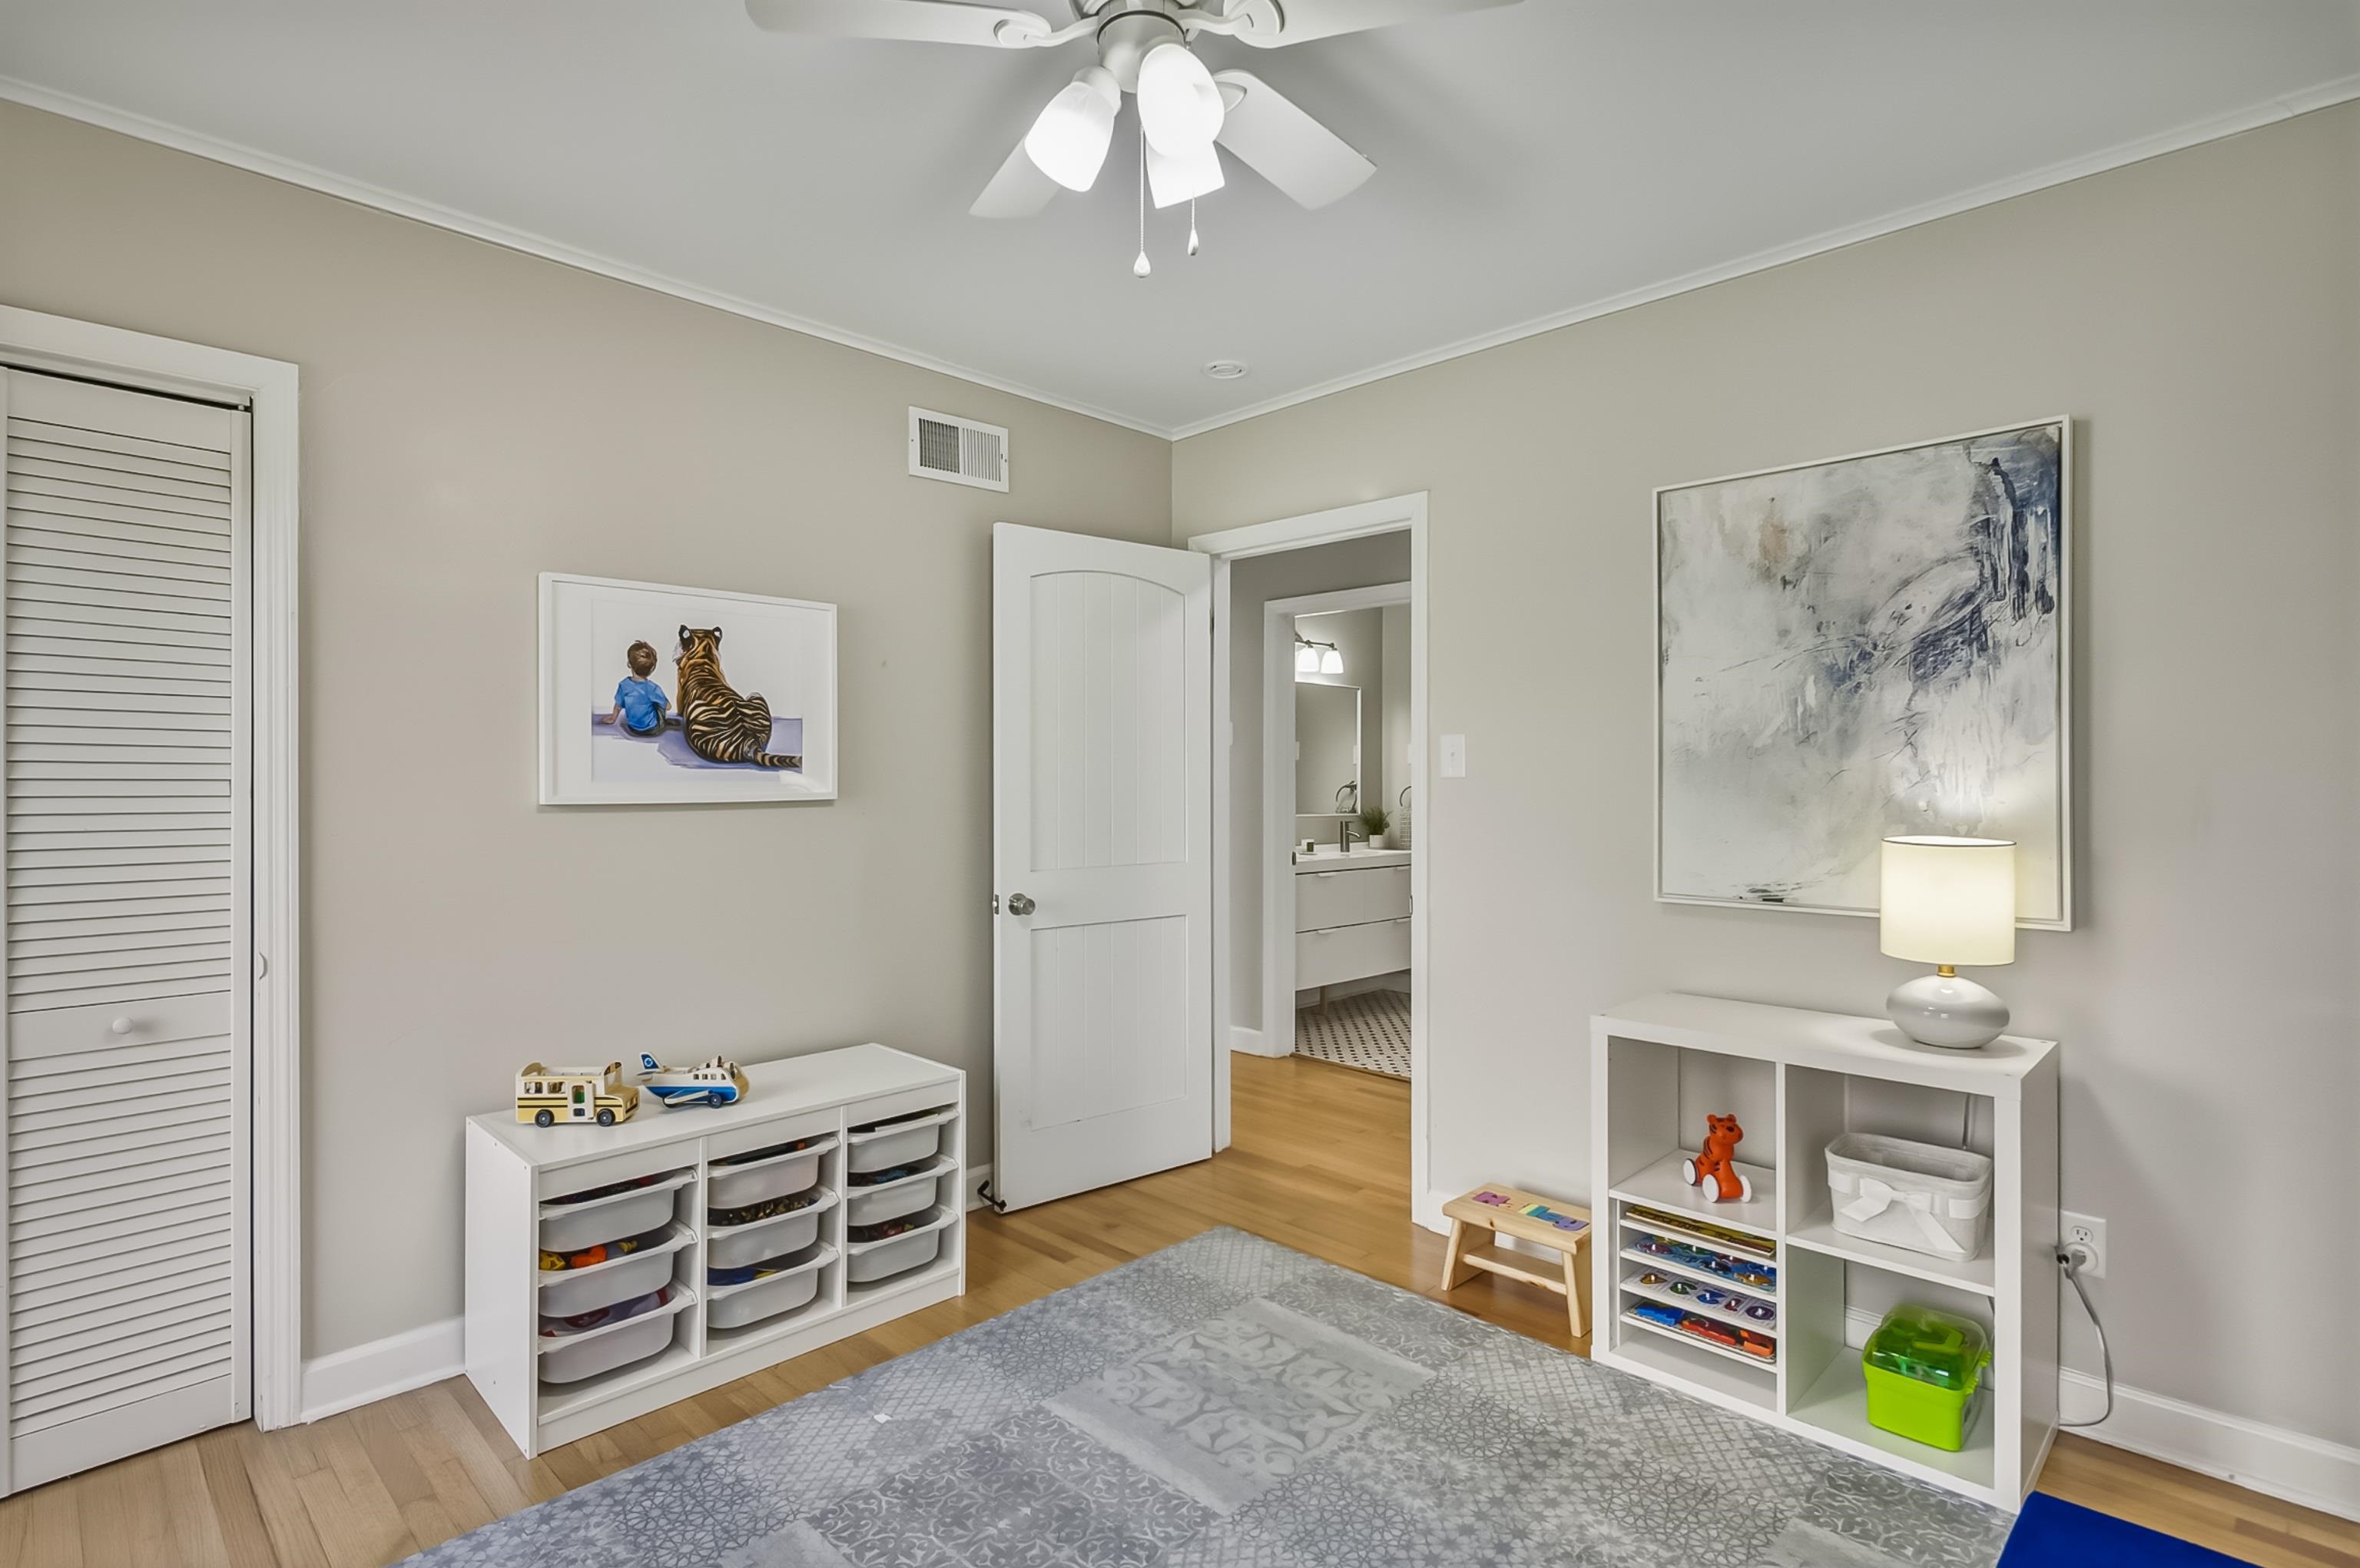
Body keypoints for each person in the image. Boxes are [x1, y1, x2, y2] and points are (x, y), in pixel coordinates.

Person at [601, 640, 670, 737]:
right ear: (652, 669)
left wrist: (613, 718)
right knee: (658, 703)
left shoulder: (624, 685)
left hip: (633, 728)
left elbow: (618, 705)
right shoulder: (653, 688)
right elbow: (668, 707)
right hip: (652, 729)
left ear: (629, 664)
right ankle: (663, 722)